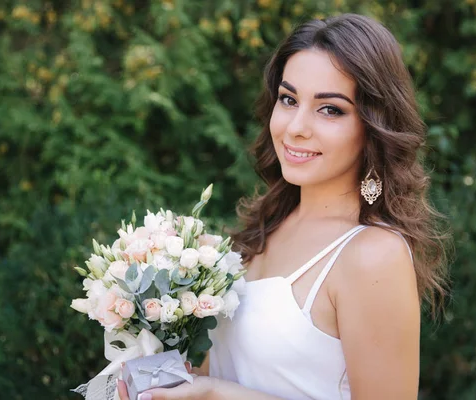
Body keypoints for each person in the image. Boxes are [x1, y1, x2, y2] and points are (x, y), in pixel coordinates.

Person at [118, 13, 448, 400]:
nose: (295, 127)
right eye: (289, 100)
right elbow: (228, 369)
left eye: (330, 109)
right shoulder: (262, 230)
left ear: (373, 127)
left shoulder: (373, 255)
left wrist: (217, 395)